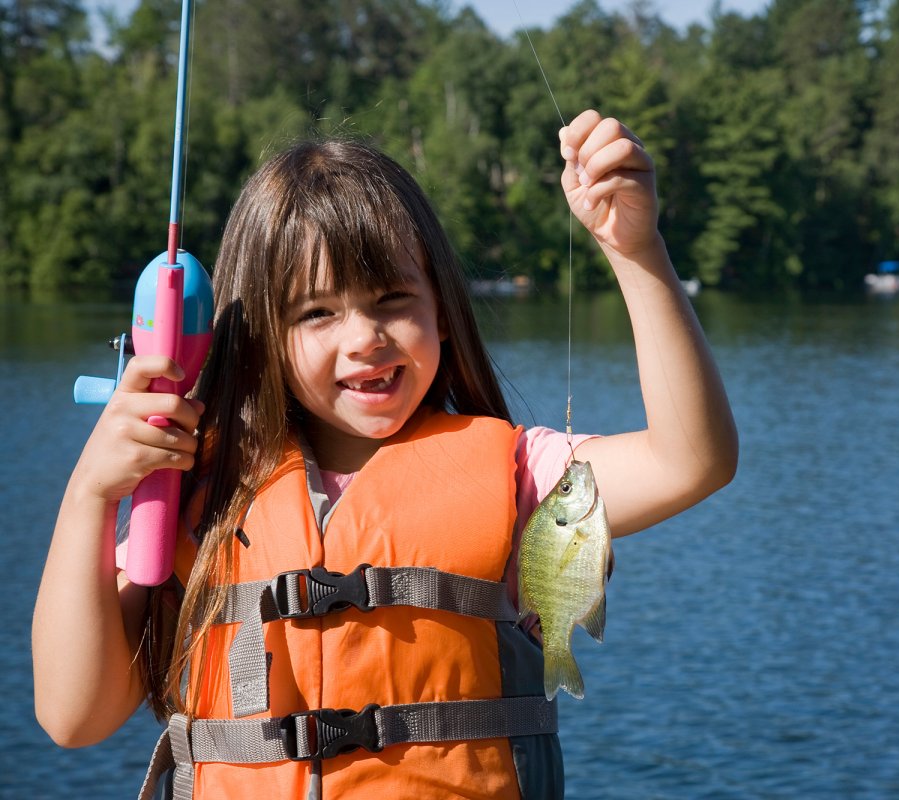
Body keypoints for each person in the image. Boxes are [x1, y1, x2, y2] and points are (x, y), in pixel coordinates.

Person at [32, 110, 737, 799]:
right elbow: (74, 717)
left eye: (393, 298)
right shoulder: (199, 494)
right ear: (260, 335)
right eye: (318, 313)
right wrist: (90, 495)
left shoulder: (525, 476)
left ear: (441, 306)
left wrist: (637, 252)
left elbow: (691, 462)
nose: (365, 337)